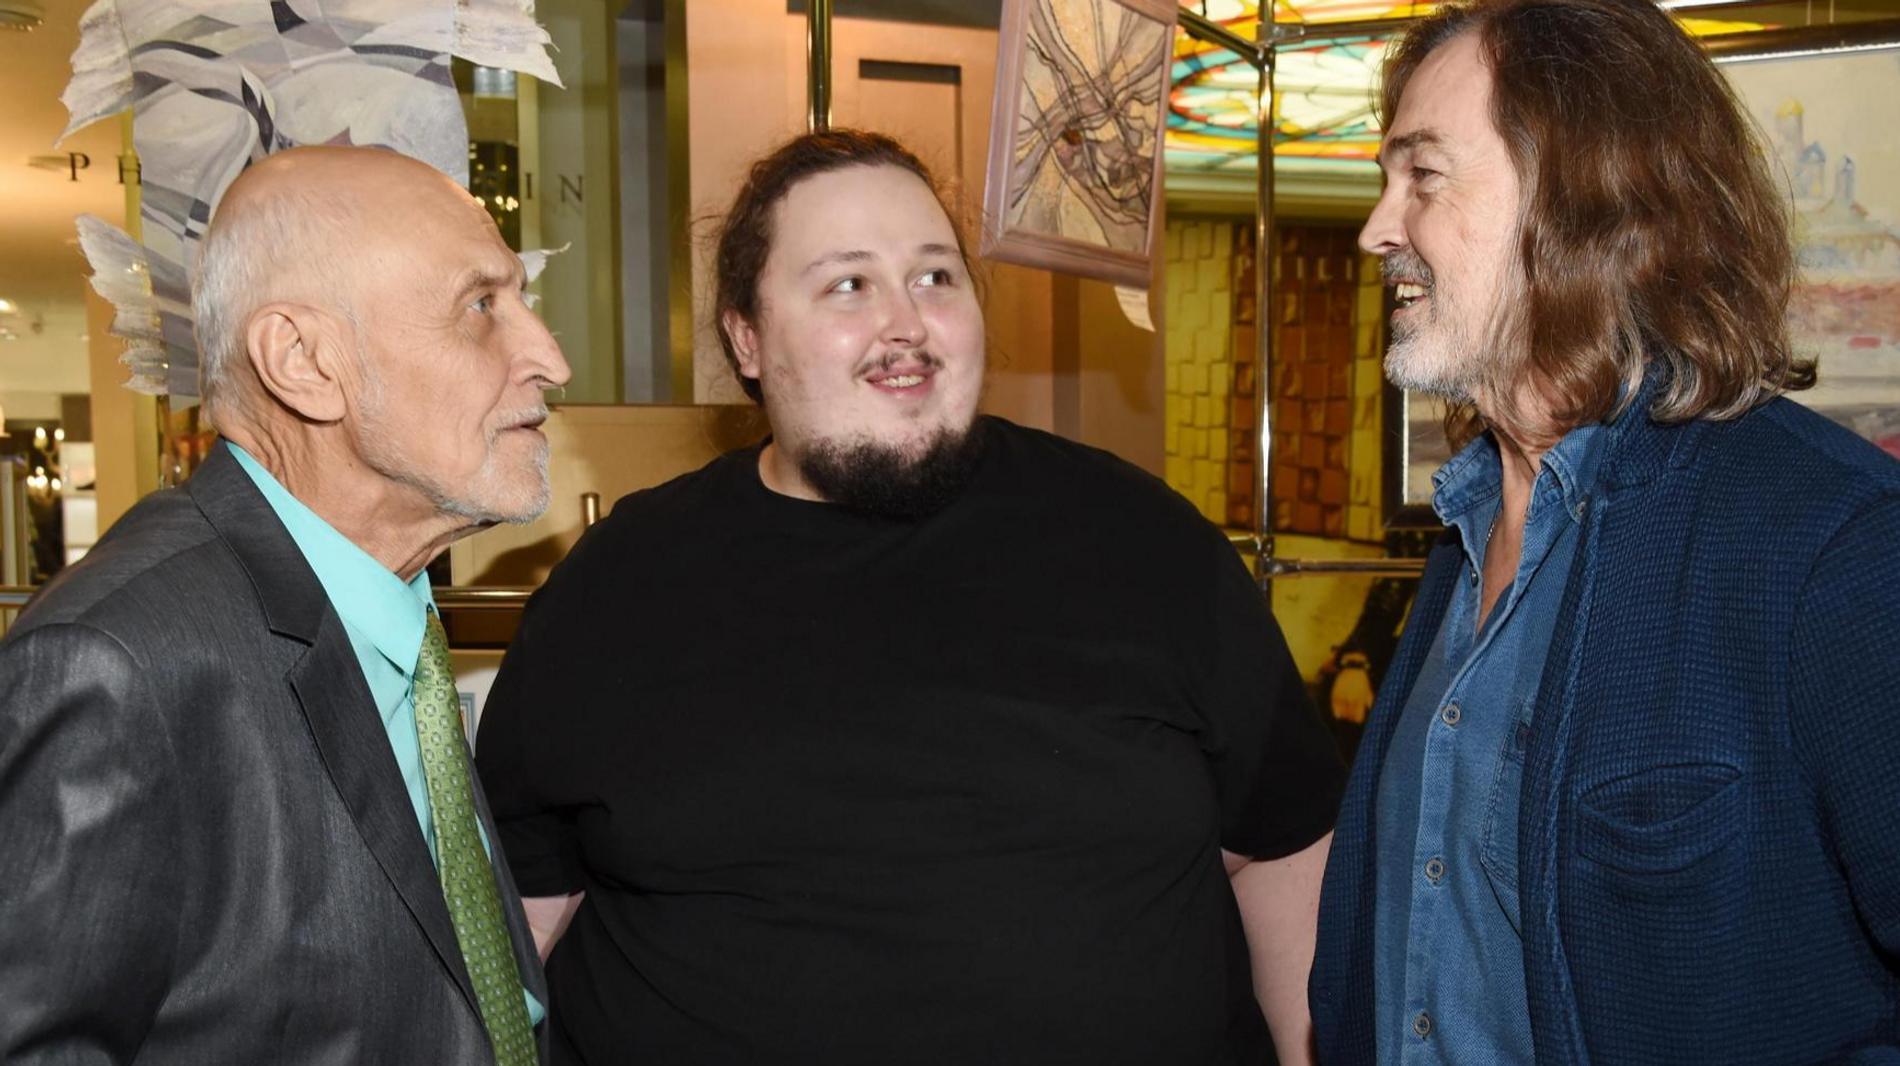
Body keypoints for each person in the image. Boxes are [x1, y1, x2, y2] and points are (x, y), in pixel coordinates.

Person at [474, 129, 1345, 1066]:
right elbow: (520, 918)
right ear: (746, 338)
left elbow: (1283, 843)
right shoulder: (619, 584)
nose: (907, 325)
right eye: (848, 284)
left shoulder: (1145, 540)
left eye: (936, 277)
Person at [1308, 1, 1900, 1062]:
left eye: (1423, 175)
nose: (1377, 228)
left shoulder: (1831, 544)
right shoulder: (1465, 528)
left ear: (1584, 197)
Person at [0, 146, 570, 1064]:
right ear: (303, 362)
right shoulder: (118, 664)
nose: (550, 358)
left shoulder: (386, 600)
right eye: (480, 307)